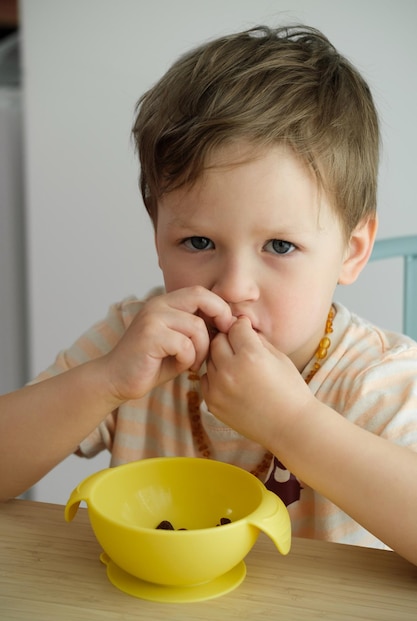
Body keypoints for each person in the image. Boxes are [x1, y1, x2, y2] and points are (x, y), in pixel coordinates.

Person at [1, 24, 417, 565]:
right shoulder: (133, 344)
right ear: (157, 238)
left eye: (280, 246)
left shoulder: (376, 380)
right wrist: (104, 383)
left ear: (352, 251)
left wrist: (292, 423)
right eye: (198, 242)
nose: (234, 288)